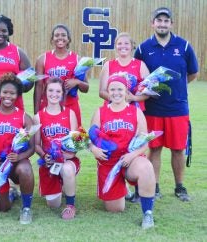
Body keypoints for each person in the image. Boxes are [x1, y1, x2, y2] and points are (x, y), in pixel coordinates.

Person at [134, 7, 199, 201]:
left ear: (171, 24)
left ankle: (179, 187)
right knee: (154, 148)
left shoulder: (184, 46)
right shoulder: (143, 48)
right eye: (158, 20)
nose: (162, 24)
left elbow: (193, 73)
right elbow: (139, 76)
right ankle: (154, 187)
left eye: (166, 20)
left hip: (177, 108)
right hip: (153, 109)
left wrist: (178, 88)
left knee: (178, 149)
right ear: (152, 23)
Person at [89, 74, 156, 229]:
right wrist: (94, 149)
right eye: (112, 89)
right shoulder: (100, 112)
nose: (116, 93)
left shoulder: (135, 112)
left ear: (126, 91)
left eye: (120, 89)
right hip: (109, 162)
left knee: (146, 167)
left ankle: (148, 214)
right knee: (115, 209)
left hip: (130, 159)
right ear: (108, 91)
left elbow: (145, 141)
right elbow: (90, 137)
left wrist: (133, 155)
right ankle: (123, 188)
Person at [0, 73, 35, 225]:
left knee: (26, 170)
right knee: (1, 208)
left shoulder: (24, 117)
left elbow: (32, 148)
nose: (8, 96)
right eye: (5, 92)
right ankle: (10, 193)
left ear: (18, 95)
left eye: (12, 93)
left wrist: (20, 157)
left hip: (15, 164)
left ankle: (27, 209)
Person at [33, 77, 79, 220]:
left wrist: (68, 155)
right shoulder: (38, 116)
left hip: (67, 160)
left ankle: (71, 205)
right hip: (50, 163)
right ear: (45, 92)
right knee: (53, 204)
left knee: (66, 169)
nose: (54, 94)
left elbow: (76, 141)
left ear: (63, 93)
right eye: (51, 90)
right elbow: (36, 145)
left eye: (58, 91)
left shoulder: (70, 113)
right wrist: (44, 156)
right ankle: (63, 184)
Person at [33, 24, 89, 126]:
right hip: (48, 105)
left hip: (71, 105)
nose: (60, 38)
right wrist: (36, 113)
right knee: (47, 138)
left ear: (68, 39)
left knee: (75, 139)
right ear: (52, 39)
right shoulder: (42, 59)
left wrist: (77, 82)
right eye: (57, 35)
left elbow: (86, 88)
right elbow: (38, 87)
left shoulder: (77, 59)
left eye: (63, 35)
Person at [99, 32, 150, 111]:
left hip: (135, 111)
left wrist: (133, 98)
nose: (123, 46)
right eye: (119, 43)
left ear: (132, 46)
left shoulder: (141, 65)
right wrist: (117, 98)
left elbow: (148, 92)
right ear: (115, 46)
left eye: (126, 43)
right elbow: (102, 92)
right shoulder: (108, 65)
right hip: (112, 110)